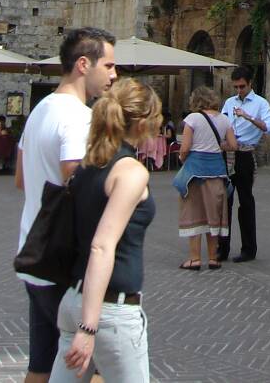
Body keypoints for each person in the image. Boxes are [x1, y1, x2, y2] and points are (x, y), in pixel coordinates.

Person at [15, 27, 117, 383]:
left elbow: (21, 179)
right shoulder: (78, 117)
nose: (114, 75)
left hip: (34, 254)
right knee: (93, 368)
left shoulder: (41, 109)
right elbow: (78, 186)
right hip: (64, 265)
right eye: (109, 65)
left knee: (40, 366)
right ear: (84, 64)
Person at [48, 78, 161, 383]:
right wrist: (89, 327)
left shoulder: (87, 165)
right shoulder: (130, 172)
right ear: (142, 123)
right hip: (109, 310)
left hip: (75, 298)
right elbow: (102, 245)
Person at [220, 65, 270, 262]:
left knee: (245, 201)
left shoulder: (260, 104)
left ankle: (248, 249)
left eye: (242, 86)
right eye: (236, 87)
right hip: (227, 153)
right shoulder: (229, 102)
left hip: (245, 154)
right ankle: (222, 248)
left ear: (250, 84)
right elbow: (222, 123)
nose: (239, 90)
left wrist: (248, 117)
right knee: (224, 201)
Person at [175, 85, 235, 269]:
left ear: (196, 100)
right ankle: (213, 258)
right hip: (217, 171)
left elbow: (185, 147)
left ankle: (194, 259)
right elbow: (233, 145)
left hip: (195, 173)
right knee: (213, 214)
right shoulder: (224, 119)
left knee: (194, 212)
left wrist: (182, 158)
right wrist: (217, 147)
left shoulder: (192, 118)